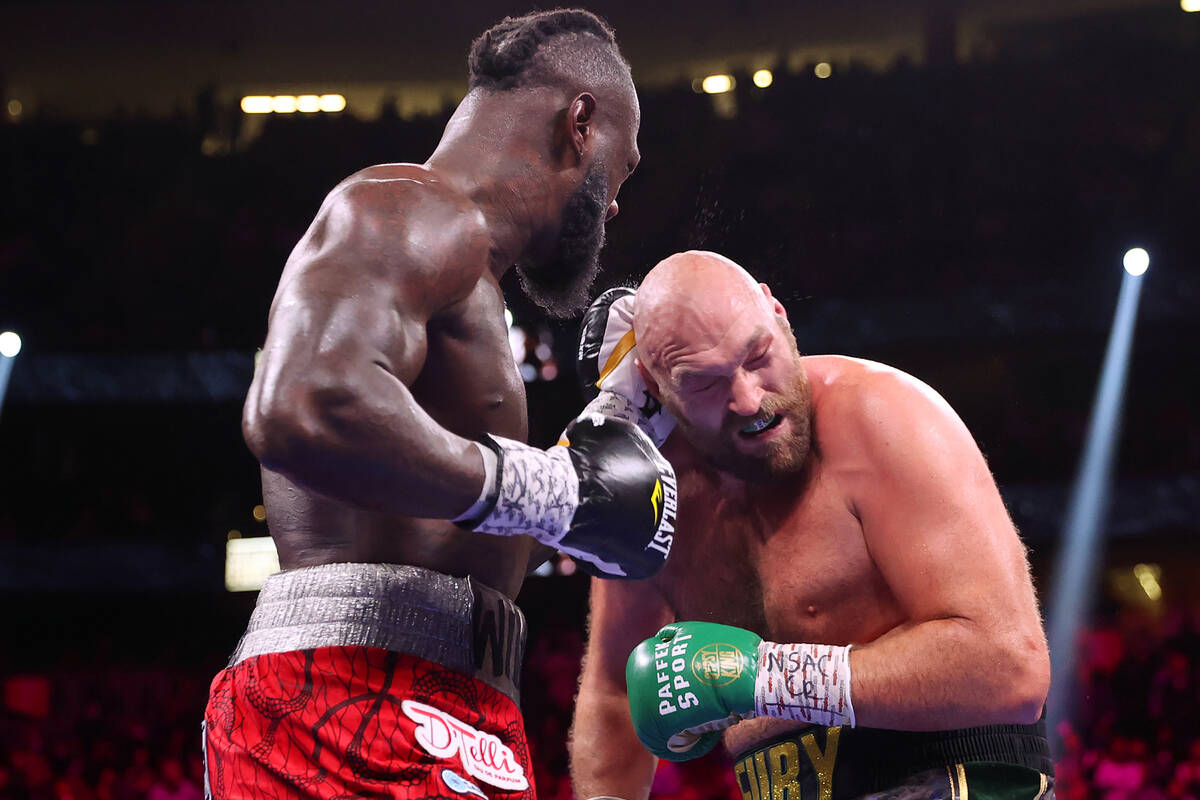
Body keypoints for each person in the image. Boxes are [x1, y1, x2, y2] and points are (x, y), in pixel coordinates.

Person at [202, 10, 678, 800]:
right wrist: (549, 490)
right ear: (581, 123)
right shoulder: (406, 206)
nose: (617, 206)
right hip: (352, 701)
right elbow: (297, 406)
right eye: (623, 171)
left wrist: (615, 422)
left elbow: (467, 530)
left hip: (459, 701)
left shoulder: (466, 269)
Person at [569, 251, 1055, 800]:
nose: (749, 398)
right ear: (658, 392)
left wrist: (765, 681)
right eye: (704, 383)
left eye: (757, 355)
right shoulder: (648, 498)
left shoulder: (879, 415)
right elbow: (612, 696)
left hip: (954, 778)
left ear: (779, 314)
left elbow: (1010, 669)